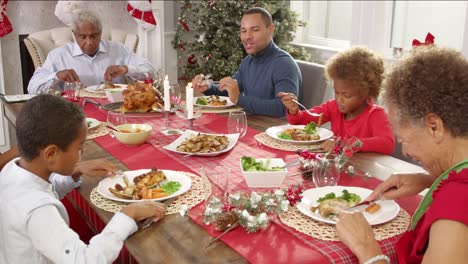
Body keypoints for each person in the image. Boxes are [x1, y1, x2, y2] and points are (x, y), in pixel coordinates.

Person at [336, 46, 468, 263]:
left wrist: (368, 249)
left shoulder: (456, 200)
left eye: (405, 140)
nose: (406, 151)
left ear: (434, 126)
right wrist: (429, 180)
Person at [0, 94, 166, 263]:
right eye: (79, 148)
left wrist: (76, 170)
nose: (83, 153)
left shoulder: (13, 171)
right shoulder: (38, 210)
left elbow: (44, 189)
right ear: (51, 154)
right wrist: (128, 215)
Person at [279, 46, 395, 154]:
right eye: (336, 92)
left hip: (362, 170)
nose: (339, 99)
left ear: (366, 92)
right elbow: (303, 121)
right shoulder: (333, 106)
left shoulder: (376, 115)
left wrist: (347, 143)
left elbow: (387, 144)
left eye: (347, 95)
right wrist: (294, 110)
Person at [191, 7, 301, 118]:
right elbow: (229, 91)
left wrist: (239, 99)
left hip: (272, 131)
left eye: (255, 30)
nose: (247, 36)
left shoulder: (284, 64)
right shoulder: (249, 61)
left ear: (271, 29)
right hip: (251, 124)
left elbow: (283, 108)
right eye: (243, 31)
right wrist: (207, 87)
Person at [27, 9, 156, 94]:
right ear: (74, 34)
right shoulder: (58, 56)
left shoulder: (118, 49)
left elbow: (152, 72)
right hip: (74, 115)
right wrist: (56, 76)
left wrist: (125, 69)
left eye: (94, 36)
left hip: (115, 111)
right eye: (83, 37)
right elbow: (32, 88)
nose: (89, 42)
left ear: (100, 33)